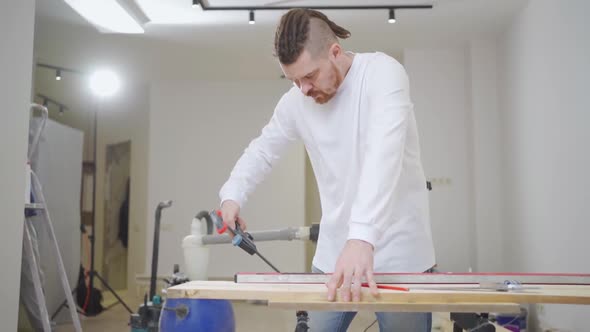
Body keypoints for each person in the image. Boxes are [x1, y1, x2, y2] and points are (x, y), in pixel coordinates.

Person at [218, 8, 436, 331]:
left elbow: (383, 156)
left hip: (402, 254)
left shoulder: (384, 75)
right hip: (336, 251)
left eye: (309, 76)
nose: (303, 89)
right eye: (293, 80)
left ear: (335, 52)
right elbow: (263, 150)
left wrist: (362, 238)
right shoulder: (297, 102)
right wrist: (232, 195)